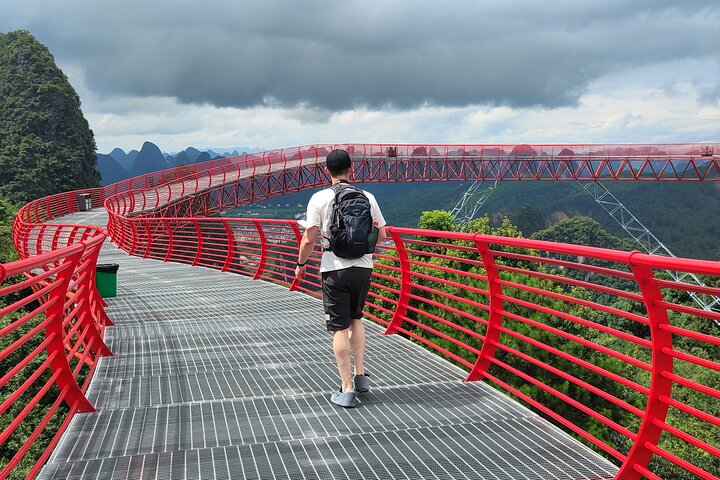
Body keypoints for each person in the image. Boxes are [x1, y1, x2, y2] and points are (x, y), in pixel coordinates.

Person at [295, 149, 387, 408]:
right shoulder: (367, 196)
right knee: (357, 319)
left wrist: (300, 264)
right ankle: (360, 378)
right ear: (351, 169)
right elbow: (381, 235)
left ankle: (346, 389)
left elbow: (309, 239)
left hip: (334, 268)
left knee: (339, 327)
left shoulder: (319, 198)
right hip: (363, 267)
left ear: (327, 171)